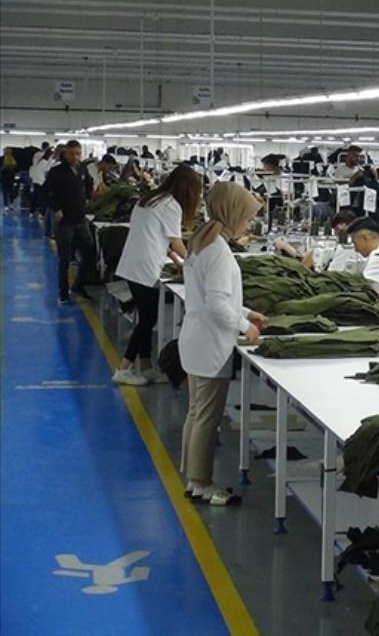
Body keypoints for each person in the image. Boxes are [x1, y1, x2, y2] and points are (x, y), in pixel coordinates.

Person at [178, 181, 268, 506]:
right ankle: (201, 484)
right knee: (206, 417)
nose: (248, 224)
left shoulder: (203, 240)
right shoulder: (216, 248)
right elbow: (216, 304)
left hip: (196, 339)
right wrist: (246, 327)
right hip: (209, 344)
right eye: (246, 217)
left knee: (196, 413)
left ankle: (192, 479)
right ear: (232, 213)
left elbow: (213, 297)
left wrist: (247, 311)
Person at [112, 165, 204, 386]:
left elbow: (157, 237)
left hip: (133, 263)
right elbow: (176, 242)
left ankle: (145, 367)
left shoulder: (149, 199)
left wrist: (175, 259)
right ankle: (123, 369)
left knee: (146, 316)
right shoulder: (171, 206)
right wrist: (199, 263)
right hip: (144, 267)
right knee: (147, 320)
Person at [45, 141, 98, 304]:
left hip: (81, 220)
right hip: (65, 223)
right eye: (71, 154)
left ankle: (78, 286)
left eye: (77, 154)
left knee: (90, 254)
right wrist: (56, 209)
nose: (75, 157)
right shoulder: (56, 172)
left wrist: (89, 195)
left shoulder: (82, 168)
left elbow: (88, 182)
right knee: (65, 259)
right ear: (65, 154)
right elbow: (45, 193)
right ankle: (63, 293)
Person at [325, 217, 379, 283]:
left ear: (364, 238)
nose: (355, 249)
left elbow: (365, 288)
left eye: (355, 243)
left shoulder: (377, 257)